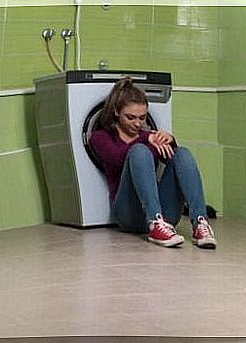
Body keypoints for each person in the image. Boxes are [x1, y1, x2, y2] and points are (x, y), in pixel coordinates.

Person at [89, 77, 217, 249]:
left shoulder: (148, 137)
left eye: (142, 118)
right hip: (129, 215)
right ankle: (155, 224)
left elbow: (177, 164)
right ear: (116, 112)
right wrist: (146, 140)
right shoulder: (101, 137)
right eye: (131, 117)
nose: (137, 123)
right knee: (139, 152)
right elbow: (117, 157)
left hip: (167, 215)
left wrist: (170, 141)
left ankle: (200, 223)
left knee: (182, 153)